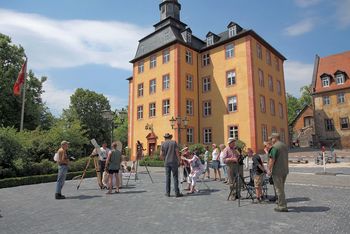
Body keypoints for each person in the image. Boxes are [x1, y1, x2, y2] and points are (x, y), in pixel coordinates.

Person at [267, 133, 289, 212]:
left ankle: (282, 206)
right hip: (285, 170)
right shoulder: (284, 145)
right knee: (281, 188)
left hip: (277, 171)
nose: (271, 140)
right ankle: (281, 203)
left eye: (271, 139)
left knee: (279, 189)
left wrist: (269, 169)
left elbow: (272, 159)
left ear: (274, 138)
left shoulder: (275, 147)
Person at [160, 133, 183, 197]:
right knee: (175, 177)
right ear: (170, 137)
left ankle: (168, 193)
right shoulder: (174, 142)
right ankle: (176, 193)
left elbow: (161, 155)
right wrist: (180, 160)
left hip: (167, 162)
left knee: (168, 178)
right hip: (174, 162)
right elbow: (177, 152)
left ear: (165, 137)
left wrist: (164, 159)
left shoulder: (163, 144)